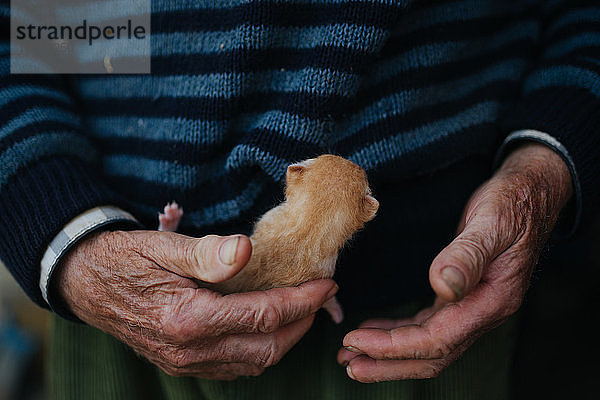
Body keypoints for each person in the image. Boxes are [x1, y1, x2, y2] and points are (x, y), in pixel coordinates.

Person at [1, 0, 598, 398]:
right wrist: (59, 227)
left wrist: (549, 156)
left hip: (434, 314)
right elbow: (22, 28)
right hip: (119, 301)